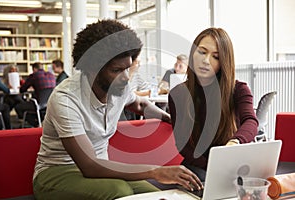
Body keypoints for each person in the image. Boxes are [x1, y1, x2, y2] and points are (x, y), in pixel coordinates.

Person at [33, 19, 203, 200]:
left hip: (102, 168)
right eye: (116, 70)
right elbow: (90, 166)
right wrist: (156, 171)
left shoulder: (117, 88)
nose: (125, 77)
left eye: (127, 69)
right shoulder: (66, 99)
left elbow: (140, 104)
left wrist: (170, 119)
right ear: (92, 69)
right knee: (119, 191)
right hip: (56, 173)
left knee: (153, 194)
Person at [168, 27, 258, 182]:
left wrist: (234, 142)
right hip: (197, 165)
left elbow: (251, 121)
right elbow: (183, 145)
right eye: (202, 52)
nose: (206, 60)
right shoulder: (177, 94)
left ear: (224, 62)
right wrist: (214, 166)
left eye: (215, 57)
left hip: (231, 162)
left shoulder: (239, 89)